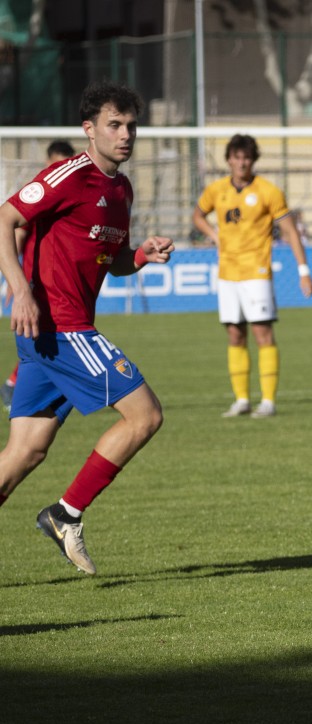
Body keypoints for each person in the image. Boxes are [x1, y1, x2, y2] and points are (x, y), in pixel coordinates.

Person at [0, 81, 174, 575]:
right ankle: (65, 513)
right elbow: (4, 217)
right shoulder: (68, 175)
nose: (125, 134)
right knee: (145, 416)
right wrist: (21, 289)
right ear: (89, 129)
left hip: (51, 336)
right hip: (60, 326)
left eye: (131, 126)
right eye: (114, 125)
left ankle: (62, 512)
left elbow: (113, 261)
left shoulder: (120, 188)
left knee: (25, 451)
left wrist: (142, 254)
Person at [193, 134, 312, 419]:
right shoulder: (216, 190)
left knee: (263, 333)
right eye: (236, 157)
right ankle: (242, 399)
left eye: (246, 157)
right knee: (235, 334)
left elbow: (290, 232)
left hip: (256, 272)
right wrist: (214, 235)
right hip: (227, 273)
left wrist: (304, 271)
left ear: (253, 160)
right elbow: (197, 215)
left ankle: (269, 401)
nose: (241, 162)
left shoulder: (268, 191)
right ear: (229, 160)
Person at [2, 140, 77, 413]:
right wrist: (16, 278)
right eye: (56, 163)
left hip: (56, 279)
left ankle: (17, 390)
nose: (60, 168)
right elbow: (17, 230)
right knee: (39, 335)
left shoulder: (67, 190)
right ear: (47, 163)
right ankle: (17, 389)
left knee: (43, 337)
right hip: (34, 280)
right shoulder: (41, 192)